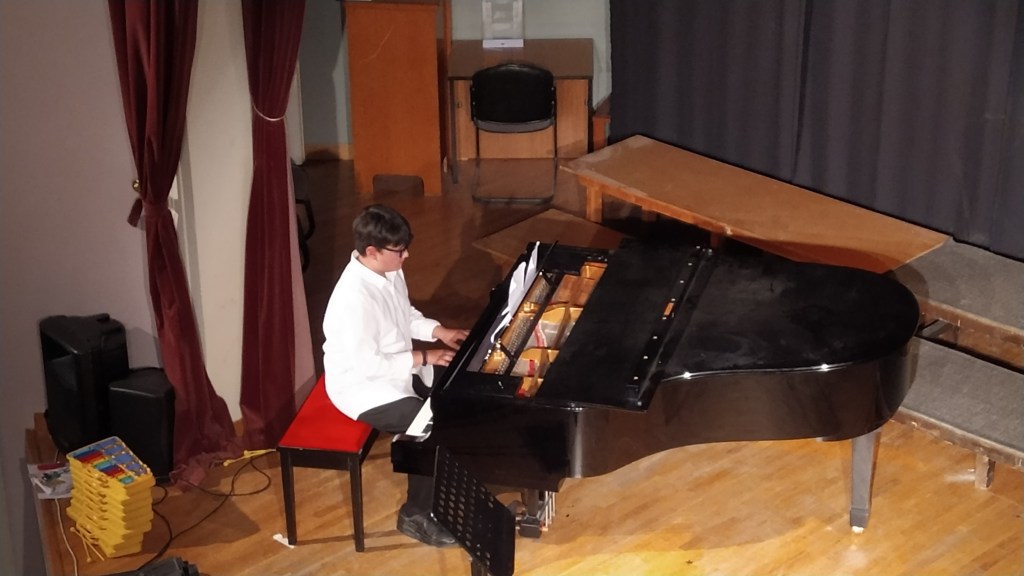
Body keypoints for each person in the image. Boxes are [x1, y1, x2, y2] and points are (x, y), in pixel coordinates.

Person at [322, 204, 469, 548]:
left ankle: (452, 480)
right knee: (428, 426)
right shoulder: (352, 300)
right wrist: (425, 355)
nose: (406, 255)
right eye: (399, 250)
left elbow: (405, 314)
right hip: (363, 389)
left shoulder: (388, 270)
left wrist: (440, 332)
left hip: (399, 370)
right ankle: (416, 515)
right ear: (371, 251)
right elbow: (368, 365)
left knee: (459, 382)